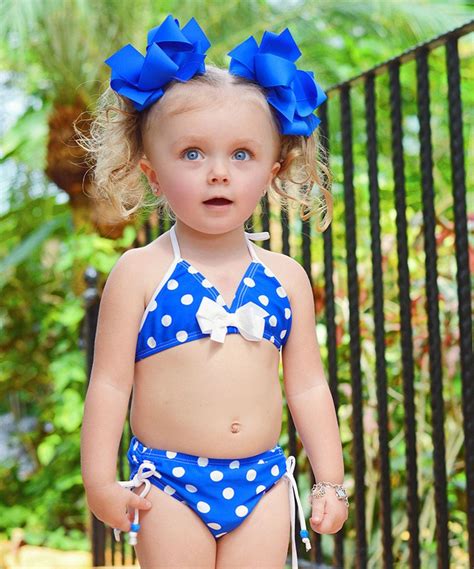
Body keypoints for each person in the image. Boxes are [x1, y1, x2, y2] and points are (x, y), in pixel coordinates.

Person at [79, 14, 348, 569]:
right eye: (193, 154)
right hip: (170, 482)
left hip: (264, 481)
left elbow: (308, 388)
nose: (218, 174)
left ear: (272, 170)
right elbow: (108, 385)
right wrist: (100, 482)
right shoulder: (140, 272)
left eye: (241, 155)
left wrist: (331, 482)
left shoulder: (284, 277)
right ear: (153, 175)